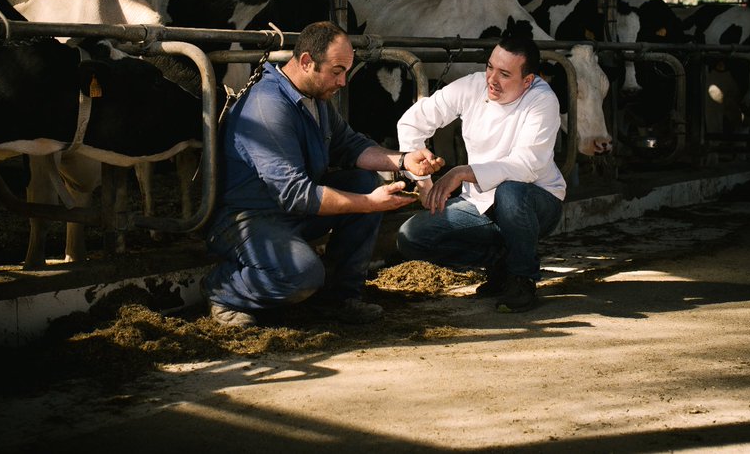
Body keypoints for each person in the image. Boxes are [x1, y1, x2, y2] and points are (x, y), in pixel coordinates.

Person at [203, 21, 445, 328]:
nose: (343, 81)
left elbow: (349, 145)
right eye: (337, 70)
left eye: (346, 71)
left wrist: (404, 160)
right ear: (306, 62)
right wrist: (368, 203)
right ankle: (224, 290)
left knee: (364, 181)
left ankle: (340, 298)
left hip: (288, 212)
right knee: (302, 275)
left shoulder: (313, 98)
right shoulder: (267, 107)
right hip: (246, 219)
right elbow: (295, 194)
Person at [394, 34, 565, 312]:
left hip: (535, 202)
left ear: (527, 81)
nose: (492, 79)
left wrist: (462, 172)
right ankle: (500, 262)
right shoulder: (473, 86)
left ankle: (522, 277)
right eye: (490, 67)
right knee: (411, 237)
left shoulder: (542, 100)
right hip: (480, 204)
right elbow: (413, 122)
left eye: (505, 74)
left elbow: (527, 164)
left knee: (510, 189)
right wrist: (423, 182)